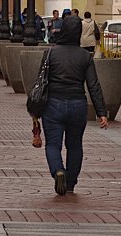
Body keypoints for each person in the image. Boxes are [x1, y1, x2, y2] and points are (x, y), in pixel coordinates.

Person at [39, 14, 108, 195]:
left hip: (53, 104)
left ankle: (58, 171)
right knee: (75, 145)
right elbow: (93, 85)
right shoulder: (85, 56)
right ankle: (70, 183)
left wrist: (35, 109)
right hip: (78, 104)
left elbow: (40, 81)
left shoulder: (51, 53)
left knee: (53, 144)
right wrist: (102, 112)